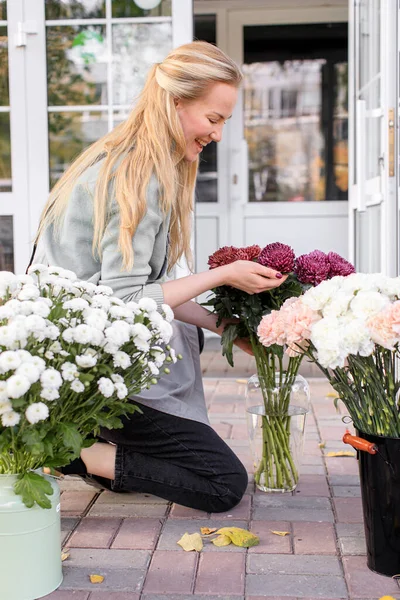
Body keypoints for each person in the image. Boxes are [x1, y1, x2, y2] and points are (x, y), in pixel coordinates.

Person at [34, 41, 287, 512]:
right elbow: (128, 299)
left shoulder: (126, 157)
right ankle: (65, 448)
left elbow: (146, 293)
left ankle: (86, 442)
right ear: (175, 102)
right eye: (214, 119)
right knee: (220, 484)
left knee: (137, 472)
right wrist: (222, 275)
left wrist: (225, 329)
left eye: (224, 121)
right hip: (93, 369)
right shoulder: (137, 174)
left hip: (91, 358)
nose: (218, 134)